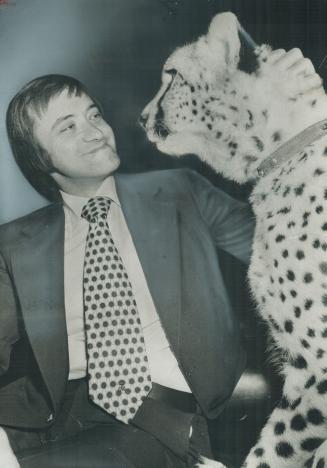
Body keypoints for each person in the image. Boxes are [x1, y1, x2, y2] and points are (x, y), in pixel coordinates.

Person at [0, 74, 253, 468]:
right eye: (69, 127)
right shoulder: (15, 242)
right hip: (48, 420)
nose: (97, 132)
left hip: (158, 417)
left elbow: (279, 243)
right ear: (39, 157)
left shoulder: (180, 192)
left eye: (94, 115)